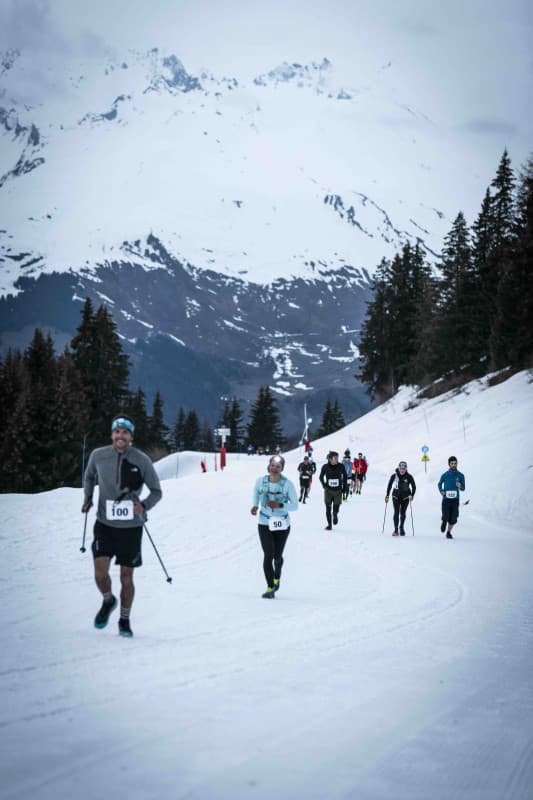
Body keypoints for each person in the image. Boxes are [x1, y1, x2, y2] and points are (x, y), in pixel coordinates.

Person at [82, 415, 163, 637]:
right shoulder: (98, 456)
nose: (120, 436)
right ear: (112, 435)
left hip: (130, 528)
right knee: (100, 572)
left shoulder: (141, 459)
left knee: (126, 577)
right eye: (117, 432)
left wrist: (143, 506)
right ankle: (108, 600)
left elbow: (157, 491)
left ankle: (124, 620)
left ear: (131, 437)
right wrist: (88, 497)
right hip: (104, 524)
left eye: (125, 432)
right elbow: (89, 477)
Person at [251, 455, 299, 598]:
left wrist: (280, 505)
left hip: (282, 524)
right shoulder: (261, 481)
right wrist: (254, 505)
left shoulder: (287, 484)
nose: (274, 468)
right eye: (272, 465)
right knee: (268, 554)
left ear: (282, 469)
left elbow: (295, 505)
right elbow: (256, 492)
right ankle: (270, 588)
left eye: (278, 466)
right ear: (268, 466)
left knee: (277, 556)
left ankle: (277, 577)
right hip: (264, 522)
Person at [437, 456, 465, 539]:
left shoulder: (460, 475)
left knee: (453, 518)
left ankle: (448, 532)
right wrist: (441, 490)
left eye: (455, 463)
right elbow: (439, 484)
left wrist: (460, 486)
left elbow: (463, 488)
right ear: (449, 464)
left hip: (455, 500)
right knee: (445, 515)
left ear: (457, 464)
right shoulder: (445, 475)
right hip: (446, 499)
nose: (454, 465)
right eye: (452, 463)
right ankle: (444, 522)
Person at [385, 461, 416, 536]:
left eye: (403, 468)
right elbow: (389, 486)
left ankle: (401, 527)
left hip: (405, 497)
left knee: (403, 513)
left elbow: (414, 487)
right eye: (401, 468)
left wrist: (412, 495)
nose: (402, 470)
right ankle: (396, 530)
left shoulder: (409, 476)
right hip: (395, 496)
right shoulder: (394, 476)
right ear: (398, 468)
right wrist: (387, 495)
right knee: (396, 512)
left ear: (406, 469)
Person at [319, 451, 347, 530]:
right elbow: (320, 477)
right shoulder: (325, 467)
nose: (337, 459)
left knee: (336, 508)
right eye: (335, 458)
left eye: (338, 457)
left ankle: (335, 514)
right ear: (330, 459)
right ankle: (329, 525)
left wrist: (344, 487)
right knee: (328, 509)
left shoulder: (341, 466)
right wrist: (324, 485)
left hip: (338, 491)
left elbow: (345, 476)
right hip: (328, 491)